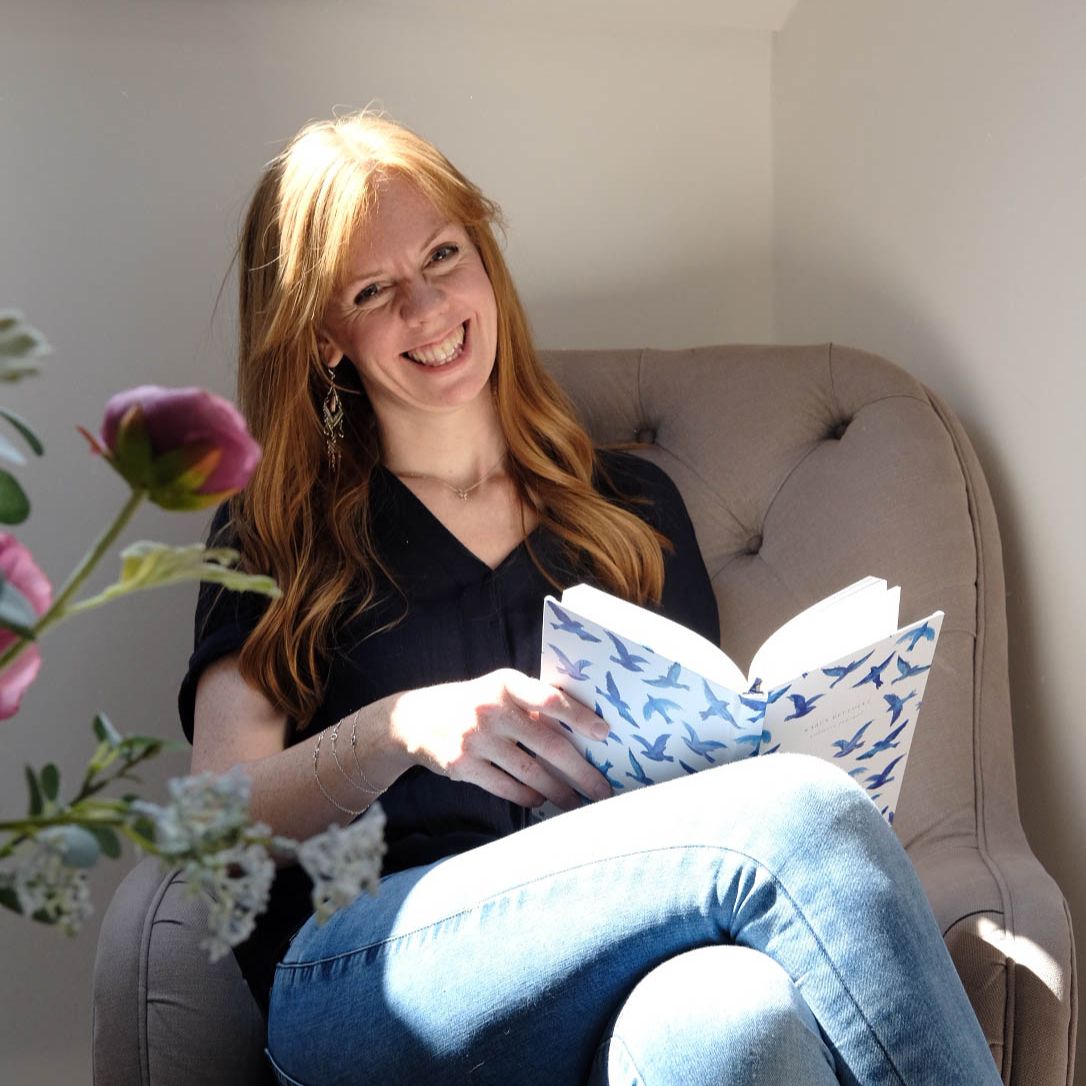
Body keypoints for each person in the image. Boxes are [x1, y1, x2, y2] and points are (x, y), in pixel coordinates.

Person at [182, 111, 1001, 1085]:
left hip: (617, 946)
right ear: (326, 338)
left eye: (443, 255)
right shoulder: (274, 532)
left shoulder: (630, 509)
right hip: (362, 967)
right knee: (807, 813)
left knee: (739, 1020)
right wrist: (399, 729)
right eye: (374, 291)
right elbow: (213, 823)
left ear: (484, 260)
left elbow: (694, 785)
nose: (428, 306)